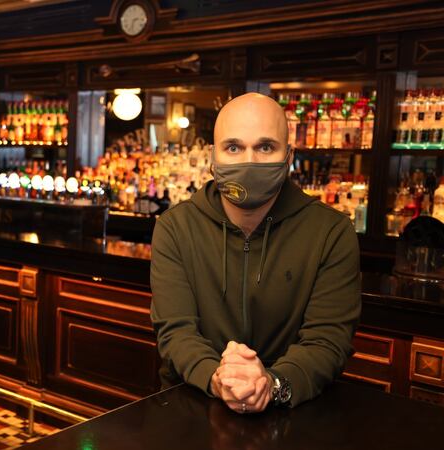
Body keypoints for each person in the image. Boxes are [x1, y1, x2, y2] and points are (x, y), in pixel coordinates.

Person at [150, 92, 361, 414]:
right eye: (233, 147)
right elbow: (177, 332)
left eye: (265, 147)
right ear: (212, 156)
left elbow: (327, 341)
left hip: (292, 408)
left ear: (288, 155)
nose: (249, 161)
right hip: (190, 402)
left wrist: (272, 383)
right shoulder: (175, 227)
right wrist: (218, 379)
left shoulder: (331, 232)